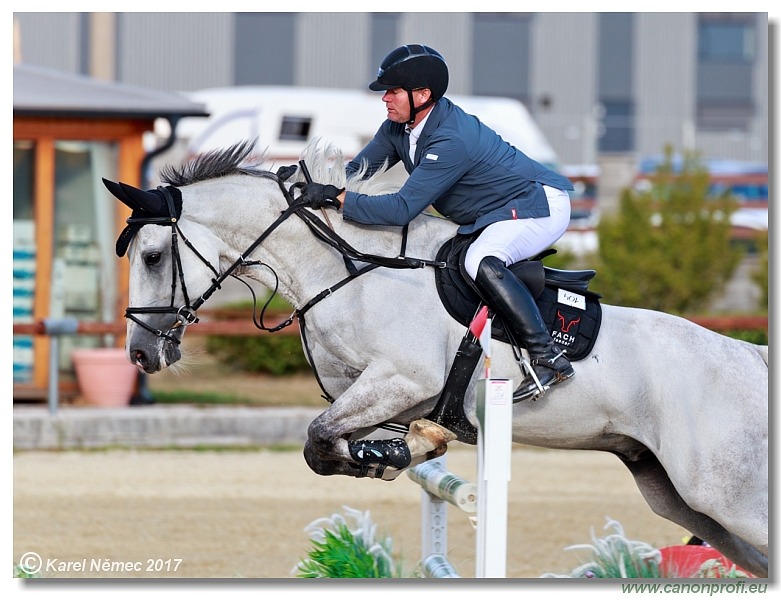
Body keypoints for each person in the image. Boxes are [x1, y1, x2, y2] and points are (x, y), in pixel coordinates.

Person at [299, 44, 575, 400]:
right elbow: (355, 173)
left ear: (422, 94)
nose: (385, 99)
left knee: (480, 260)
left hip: (538, 205)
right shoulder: (398, 128)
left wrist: (336, 199)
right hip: (493, 213)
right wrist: (309, 184)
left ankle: (547, 356)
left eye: (393, 91)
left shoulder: (451, 139)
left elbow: (401, 209)